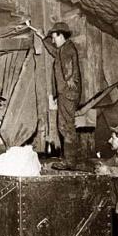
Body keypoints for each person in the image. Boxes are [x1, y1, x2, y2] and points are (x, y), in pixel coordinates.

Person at [41, 22, 81, 168]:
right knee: (64, 125)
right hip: (65, 93)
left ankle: (70, 162)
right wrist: (42, 36)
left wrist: (69, 80)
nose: (53, 40)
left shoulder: (68, 50)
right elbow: (53, 50)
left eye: (54, 37)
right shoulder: (63, 49)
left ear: (61, 35)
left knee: (66, 126)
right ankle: (68, 159)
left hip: (67, 93)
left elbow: (69, 69)